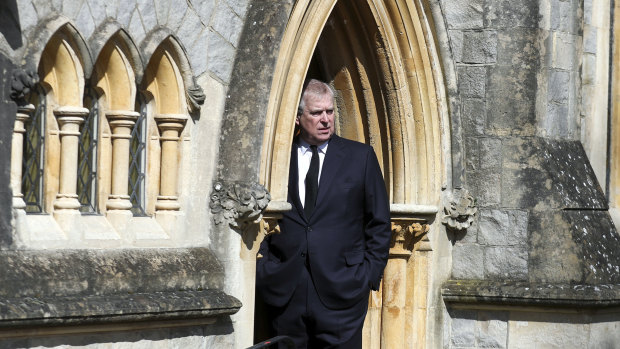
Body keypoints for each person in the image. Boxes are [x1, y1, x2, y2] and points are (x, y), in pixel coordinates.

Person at [256, 79, 391, 348]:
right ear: (297, 117)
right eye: (317, 113)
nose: (326, 120)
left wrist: (367, 276)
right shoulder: (277, 158)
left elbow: (379, 223)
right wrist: (264, 269)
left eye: (329, 111)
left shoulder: (360, 157)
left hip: (343, 294)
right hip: (285, 292)